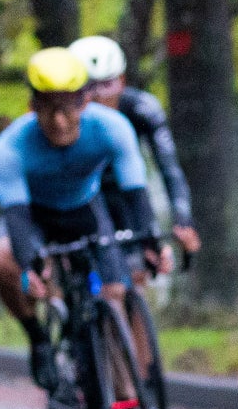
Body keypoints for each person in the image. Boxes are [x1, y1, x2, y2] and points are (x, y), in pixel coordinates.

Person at [0, 48, 158, 392]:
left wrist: (151, 242)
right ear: (32, 106)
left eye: (67, 108)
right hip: (33, 217)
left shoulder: (111, 127)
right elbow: (17, 216)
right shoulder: (11, 146)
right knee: (4, 258)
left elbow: (135, 192)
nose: (59, 121)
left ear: (85, 102)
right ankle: (37, 338)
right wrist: (28, 266)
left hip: (85, 210)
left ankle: (124, 396)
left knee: (114, 290)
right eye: (48, 109)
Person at [69, 35, 200, 263]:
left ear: (122, 79)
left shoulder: (142, 108)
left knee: (140, 265)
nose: (98, 95)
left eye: (106, 84)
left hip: (125, 192)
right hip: (77, 196)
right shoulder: (59, 119)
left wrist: (182, 220)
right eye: (87, 87)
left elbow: (169, 169)